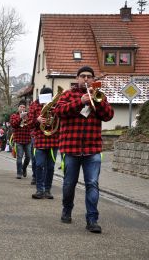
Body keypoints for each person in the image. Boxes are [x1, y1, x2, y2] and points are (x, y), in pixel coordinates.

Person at [54, 66, 114, 233]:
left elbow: (109, 115)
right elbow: (58, 111)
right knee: (68, 184)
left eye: (89, 76)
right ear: (77, 78)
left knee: (92, 184)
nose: (86, 79)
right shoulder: (67, 95)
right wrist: (80, 102)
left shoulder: (99, 96)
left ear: (93, 80)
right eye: (83, 76)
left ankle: (92, 220)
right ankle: (67, 209)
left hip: (92, 149)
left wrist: (97, 102)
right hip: (71, 148)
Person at [28, 87, 59, 199]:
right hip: (40, 139)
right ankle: (39, 190)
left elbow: (61, 119)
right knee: (39, 164)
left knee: (50, 167)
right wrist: (38, 120)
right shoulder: (34, 105)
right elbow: (29, 123)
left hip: (53, 140)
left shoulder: (56, 104)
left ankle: (47, 190)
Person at [10, 100, 32, 179]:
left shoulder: (28, 115)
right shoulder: (14, 116)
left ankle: (24, 168)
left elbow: (31, 126)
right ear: (18, 108)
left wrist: (27, 119)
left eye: (24, 107)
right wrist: (20, 117)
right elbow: (13, 125)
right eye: (21, 107)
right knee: (19, 157)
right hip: (18, 139)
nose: (22, 108)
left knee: (28, 157)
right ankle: (19, 173)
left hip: (28, 139)